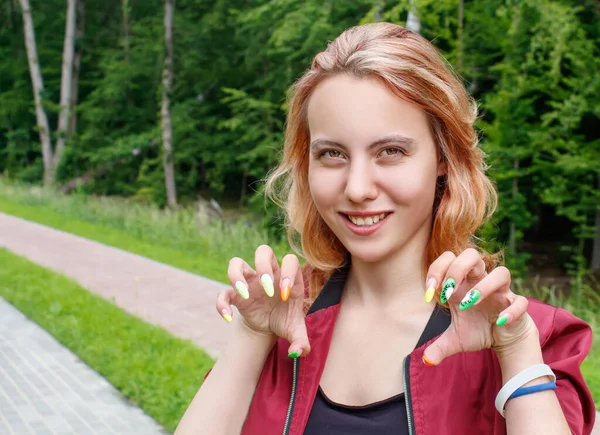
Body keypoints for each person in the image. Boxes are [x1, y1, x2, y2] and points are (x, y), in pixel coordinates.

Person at [175, 22, 596, 435]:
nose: (357, 189)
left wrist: (516, 349)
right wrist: (251, 336)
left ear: (444, 158)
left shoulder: (534, 337)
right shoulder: (281, 320)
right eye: (332, 154)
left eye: (390, 151)